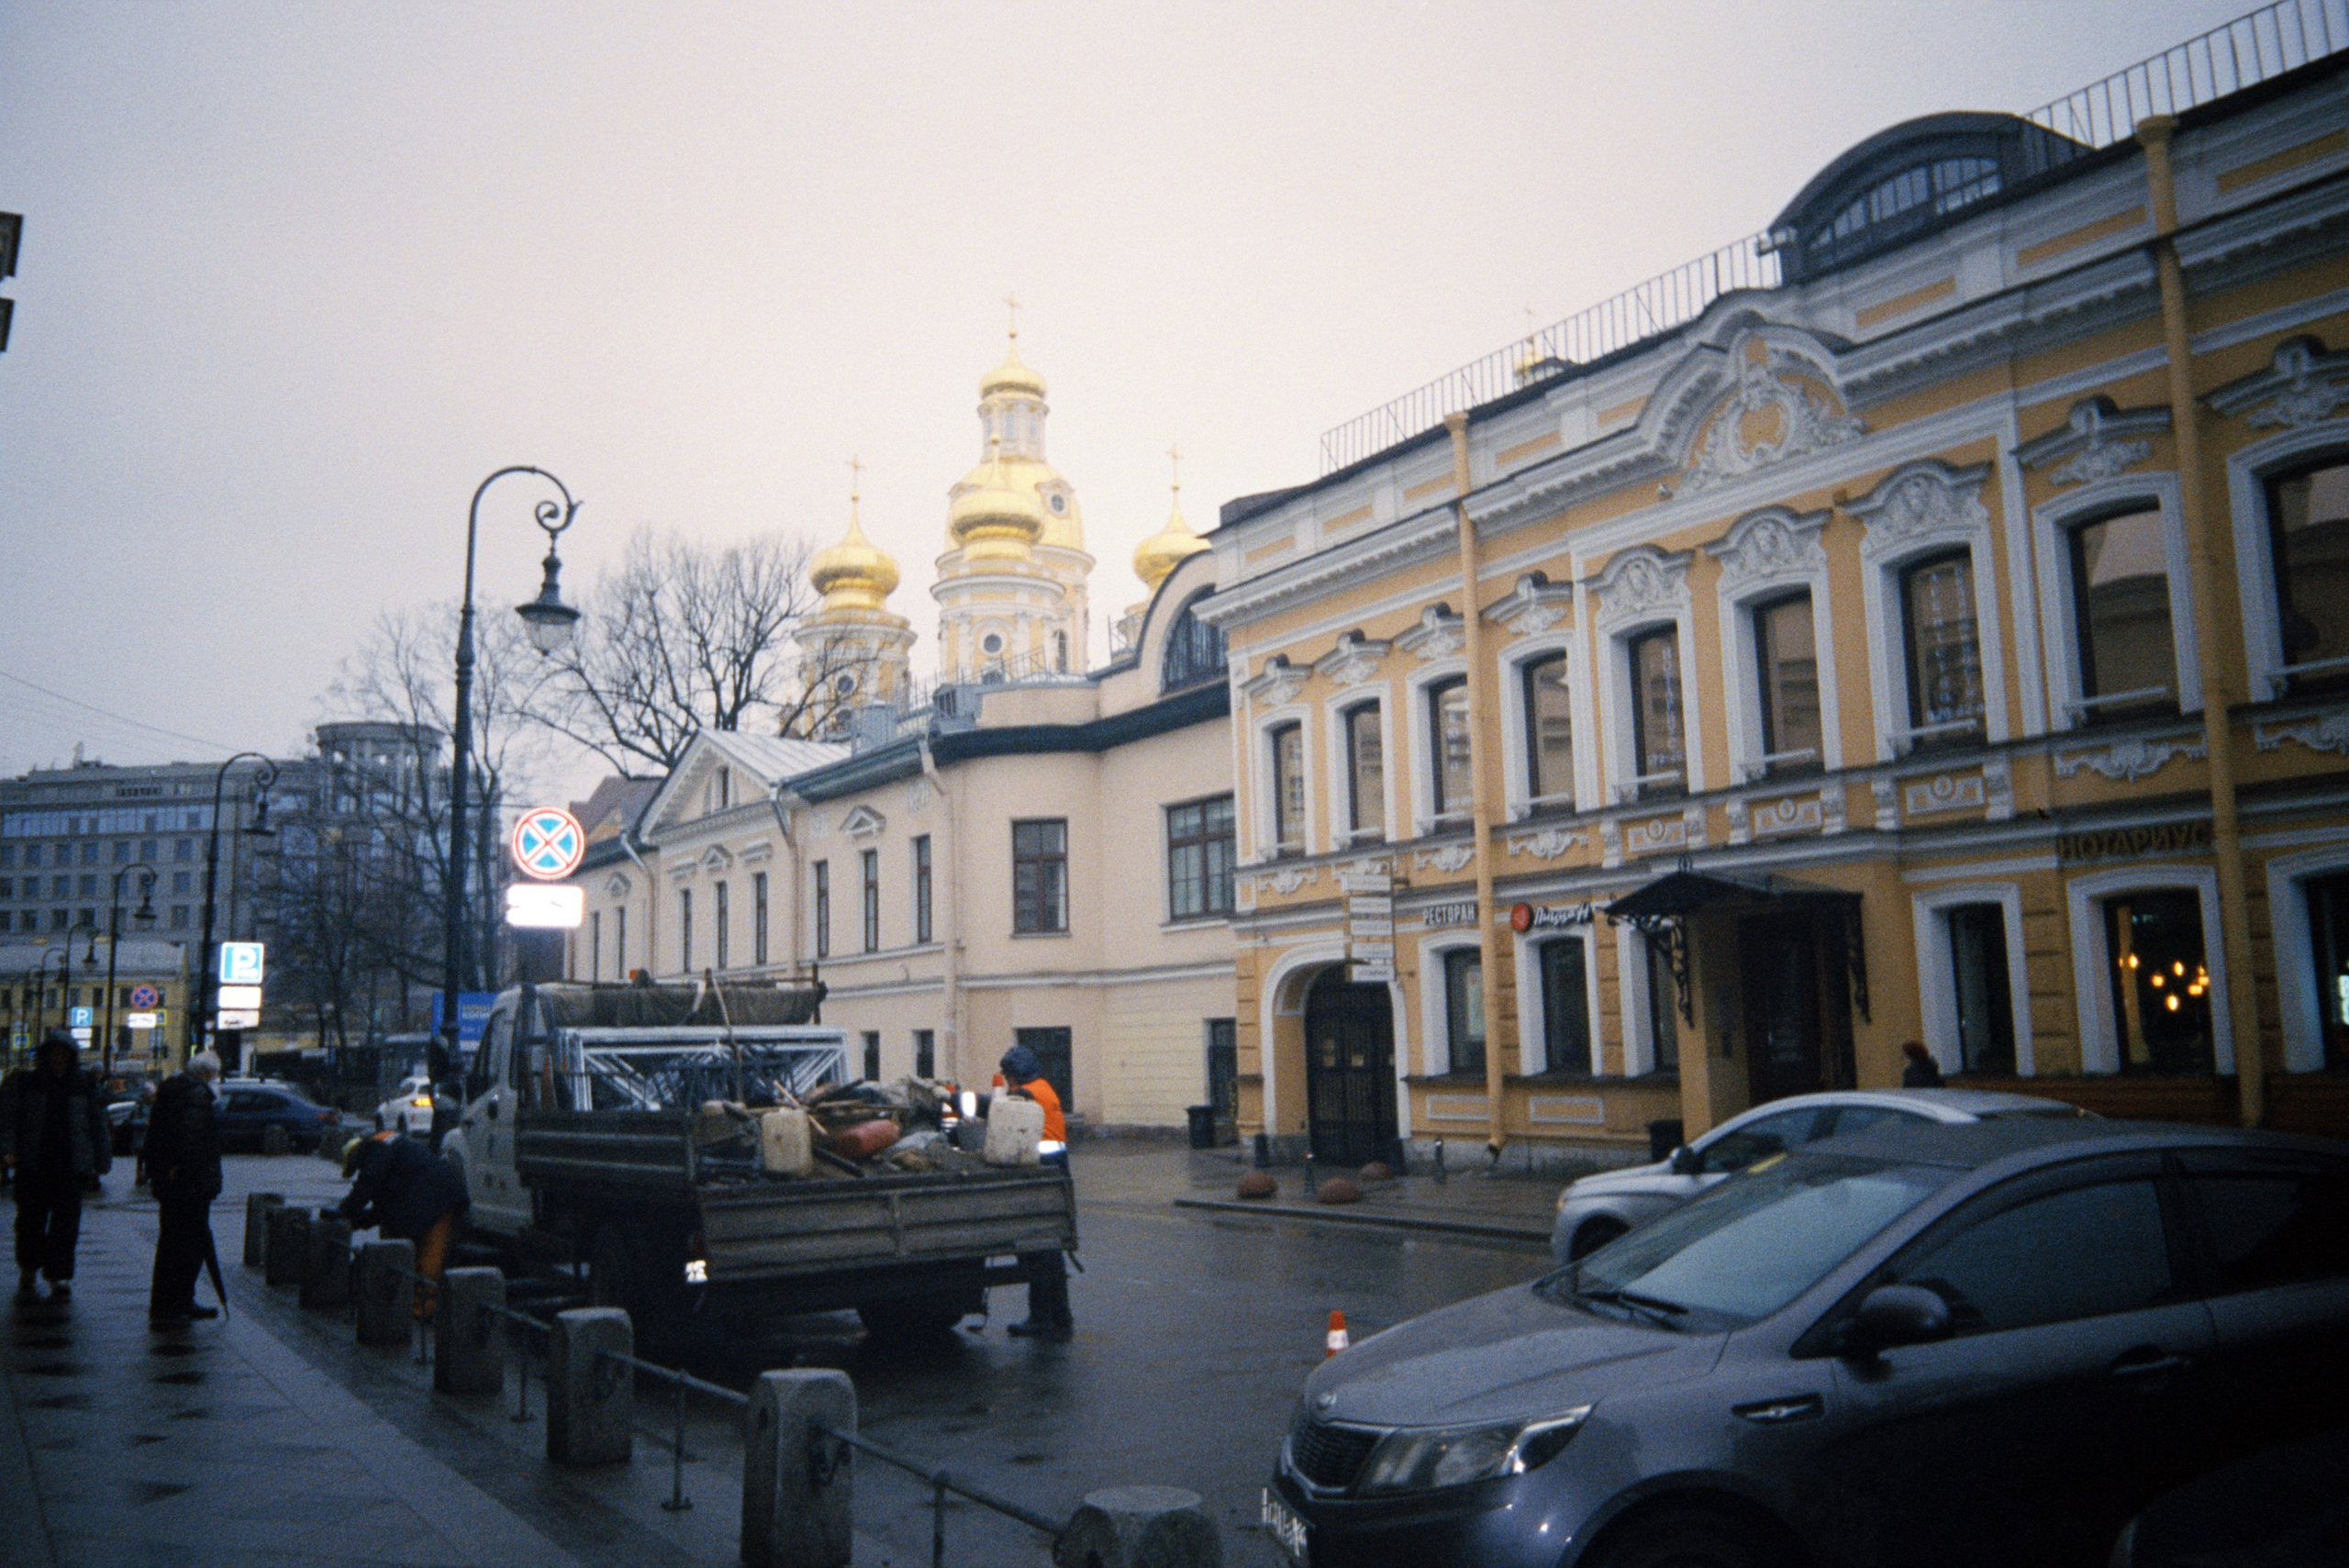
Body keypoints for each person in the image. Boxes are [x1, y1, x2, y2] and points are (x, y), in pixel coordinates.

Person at [1, 1030, 112, 1301]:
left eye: (64, 1056)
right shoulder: (27, 1082)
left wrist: (101, 1159)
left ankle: (58, 1276)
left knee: (65, 1225)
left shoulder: (83, 1084)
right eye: (54, 1055)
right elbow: (7, 1119)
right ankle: (29, 1267)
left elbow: (97, 1124)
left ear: (71, 1058)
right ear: (45, 1057)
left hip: (70, 1168)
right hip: (33, 1165)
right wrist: (8, 1150)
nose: (59, 1060)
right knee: (29, 1222)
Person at [337, 1129, 470, 1319]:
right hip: (439, 1196)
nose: (359, 1172)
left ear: (355, 1155)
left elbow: (367, 1184)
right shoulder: (390, 1146)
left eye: (356, 1168)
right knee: (428, 1255)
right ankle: (417, 1308)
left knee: (429, 1259)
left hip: (437, 1198)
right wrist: (358, 1221)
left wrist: (344, 1212)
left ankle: (421, 1312)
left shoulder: (375, 1148)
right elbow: (383, 1207)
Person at [991, 1044, 1073, 1340]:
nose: (1006, 1079)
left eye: (1007, 1074)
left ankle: (1041, 1319)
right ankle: (1060, 1316)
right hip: (1057, 1170)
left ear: (1015, 1074)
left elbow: (999, 1107)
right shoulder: (1044, 1087)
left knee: (1038, 1249)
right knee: (1050, 1250)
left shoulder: (1026, 1094)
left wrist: (957, 1099)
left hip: (1042, 1171)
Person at [144, 1050, 224, 1324]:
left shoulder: (172, 1091)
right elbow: (192, 1141)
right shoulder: (196, 1096)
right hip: (190, 1185)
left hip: (171, 1183)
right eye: (215, 1075)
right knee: (186, 1247)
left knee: (172, 1243)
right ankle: (173, 1305)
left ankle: (174, 1301)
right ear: (206, 1074)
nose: (216, 1080)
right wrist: (192, 1174)